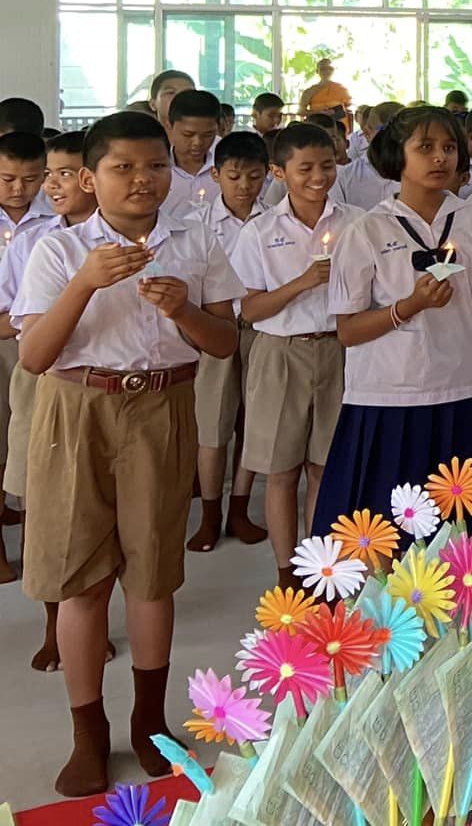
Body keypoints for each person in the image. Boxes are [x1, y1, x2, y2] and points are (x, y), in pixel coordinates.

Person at [14, 112, 241, 796]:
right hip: (76, 409)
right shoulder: (58, 251)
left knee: (152, 572)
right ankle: (89, 734)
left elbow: (225, 342)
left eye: (155, 167)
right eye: (123, 168)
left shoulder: (193, 241)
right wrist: (85, 282)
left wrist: (185, 313)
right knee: (82, 575)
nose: (142, 181)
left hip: (162, 408)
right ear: (89, 178)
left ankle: (149, 724)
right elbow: (33, 355)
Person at [313, 106, 472, 528]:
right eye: (425, 147)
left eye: (449, 147)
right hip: (386, 398)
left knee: (458, 533)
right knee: (383, 530)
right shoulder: (367, 231)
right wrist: (409, 306)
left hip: (462, 393)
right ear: (398, 155)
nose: (440, 158)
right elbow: (347, 330)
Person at [230, 122, 361, 583]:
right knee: (281, 469)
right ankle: (287, 569)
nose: (318, 177)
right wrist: (303, 281)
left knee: (325, 464)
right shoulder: (260, 232)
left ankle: (320, 565)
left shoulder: (355, 222)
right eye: (305, 168)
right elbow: (247, 308)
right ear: (279, 172)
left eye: (326, 166)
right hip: (281, 353)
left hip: (340, 349)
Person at [0, 130, 90, 644]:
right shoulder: (35, 241)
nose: (51, 186)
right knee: (45, 502)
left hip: (101, 387)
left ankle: (88, 611)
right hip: (45, 378)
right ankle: (55, 621)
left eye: (65, 174)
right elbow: (20, 322)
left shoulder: (130, 239)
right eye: (48, 175)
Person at [187, 130, 269, 554]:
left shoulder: (272, 219)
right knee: (213, 424)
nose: (244, 187)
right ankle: (209, 513)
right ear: (216, 175)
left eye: (254, 177)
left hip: (260, 329)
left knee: (251, 422)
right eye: (235, 176)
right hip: (217, 328)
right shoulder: (196, 224)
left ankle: (240, 507)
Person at [0, 129, 52, 581]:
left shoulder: (55, 220)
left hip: (39, 342)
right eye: (8, 179)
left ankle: (40, 552)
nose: (20, 189)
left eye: (31, 178)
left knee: (34, 450)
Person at [164, 87, 221, 221]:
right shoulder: (157, 169)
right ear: (169, 126)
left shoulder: (226, 167)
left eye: (208, 134)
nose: (198, 143)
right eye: (188, 134)